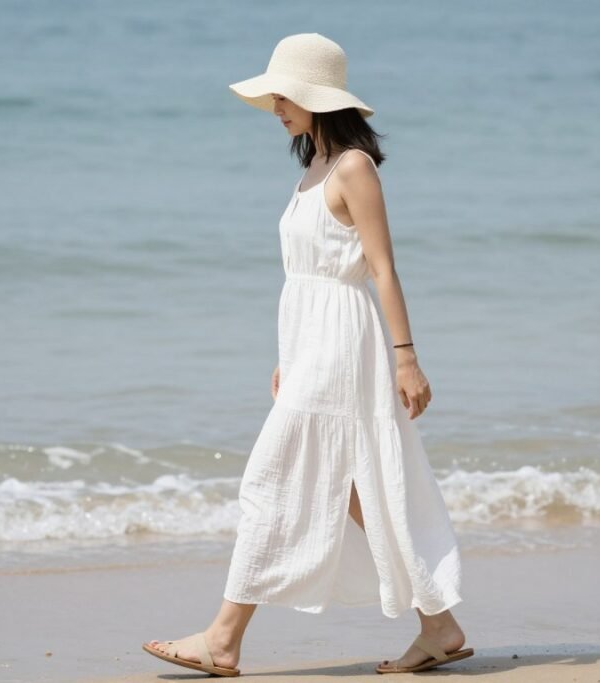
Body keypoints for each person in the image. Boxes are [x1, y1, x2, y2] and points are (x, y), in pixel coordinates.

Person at [143, 33, 472, 677]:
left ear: (317, 98)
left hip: (345, 342)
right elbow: (305, 279)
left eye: (284, 96)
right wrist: (288, 355)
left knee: (274, 477)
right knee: (354, 488)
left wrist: (406, 357)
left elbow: (382, 269)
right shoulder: (312, 170)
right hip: (312, 344)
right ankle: (438, 622)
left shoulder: (353, 167)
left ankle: (223, 639)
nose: (275, 107)